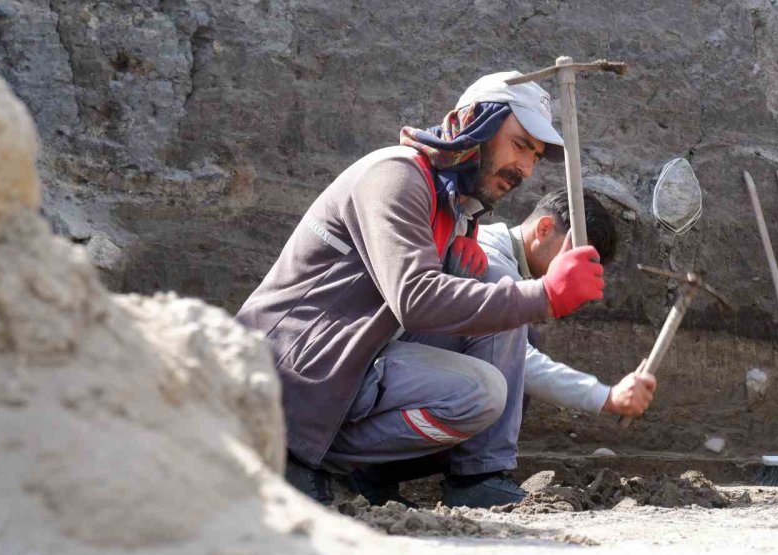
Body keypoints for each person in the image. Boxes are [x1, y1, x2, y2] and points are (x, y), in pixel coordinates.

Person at [235, 70, 642, 507]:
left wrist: (464, 264)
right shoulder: (395, 175)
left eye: (535, 156)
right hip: (296, 369)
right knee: (479, 391)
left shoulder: (454, 205)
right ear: (472, 122)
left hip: (351, 358)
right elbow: (414, 299)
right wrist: (544, 295)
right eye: (520, 145)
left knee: (498, 303)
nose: (525, 168)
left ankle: (478, 478)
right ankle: (302, 457)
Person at [350, 190, 657, 508]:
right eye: (572, 257)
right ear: (544, 229)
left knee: (526, 341)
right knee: (512, 340)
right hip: (374, 380)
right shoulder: (492, 264)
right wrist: (605, 396)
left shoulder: (502, 261)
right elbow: (522, 362)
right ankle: (476, 479)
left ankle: (376, 475)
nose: (574, 271)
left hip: (402, 380)